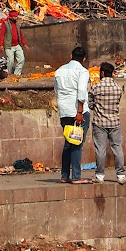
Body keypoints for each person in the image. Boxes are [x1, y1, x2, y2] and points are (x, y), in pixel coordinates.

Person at [54, 45, 90, 184]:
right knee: (77, 143)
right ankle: (76, 176)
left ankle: (64, 175)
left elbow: (56, 91)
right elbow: (81, 92)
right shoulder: (82, 71)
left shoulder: (59, 71)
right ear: (84, 59)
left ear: (71, 55)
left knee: (68, 143)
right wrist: (80, 112)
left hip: (64, 111)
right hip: (77, 111)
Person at [88, 62, 126, 184]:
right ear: (113, 73)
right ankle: (121, 175)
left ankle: (100, 175)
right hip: (115, 122)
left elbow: (90, 104)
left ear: (102, 73)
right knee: (117, 148)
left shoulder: (96, 87)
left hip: (100, 122)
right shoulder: (117, 88)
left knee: (100, 149)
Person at [0, 10, 26, 76]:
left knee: (21, 59)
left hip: (17, 45)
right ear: (10, 16)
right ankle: (9, 73)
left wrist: (24, 44)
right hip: (9, 46)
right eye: (13, 16)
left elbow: (20, 34)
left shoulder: (17, 24)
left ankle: (17, 74)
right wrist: (1, 44)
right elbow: (2, 34)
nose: (15, 18)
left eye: (16, 16)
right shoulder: (5, 24)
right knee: (10, 61)